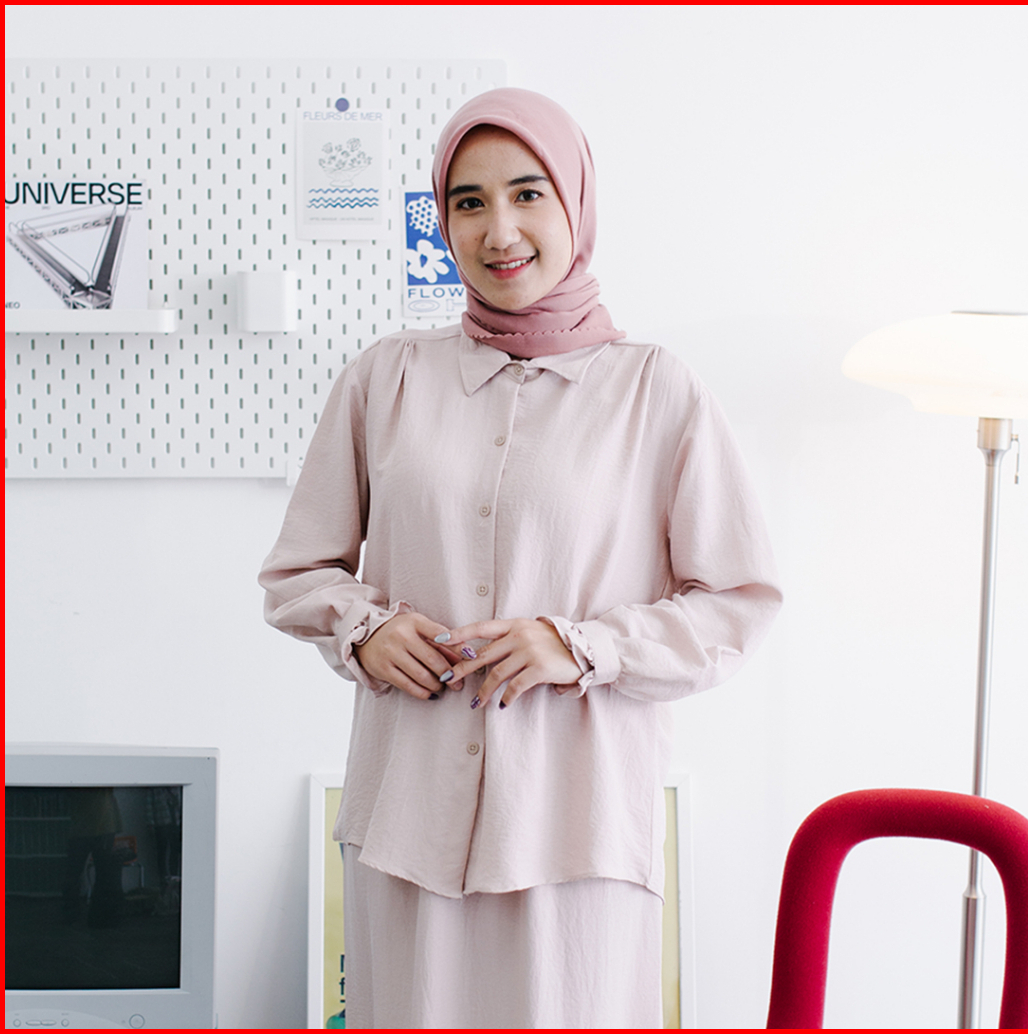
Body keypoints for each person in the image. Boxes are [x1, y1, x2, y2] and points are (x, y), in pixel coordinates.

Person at [260, 87, 781, 1029]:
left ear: (575, 201)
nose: (498, 230)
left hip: (574, 828)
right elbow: (298, 573)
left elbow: (737, 602)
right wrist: (363, 630)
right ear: (442, 222)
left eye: (528, 193)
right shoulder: (386, 377)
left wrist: (581, 646)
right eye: (468, 202)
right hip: (406, 826)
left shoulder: (656, 391)